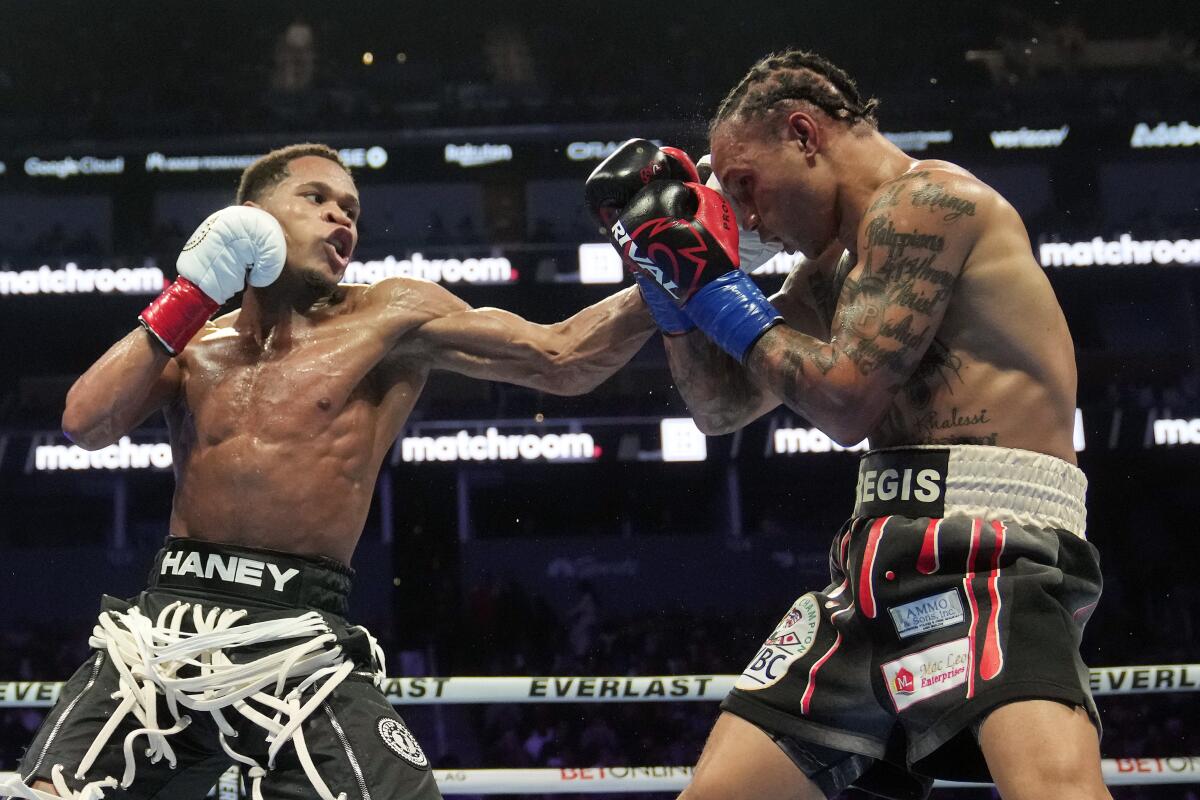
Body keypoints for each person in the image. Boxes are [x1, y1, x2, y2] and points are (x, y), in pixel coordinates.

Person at [3, 142, 656, 800]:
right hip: (163, 633)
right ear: (251, 216)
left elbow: (561, 357)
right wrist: (190, 294)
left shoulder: (389, 315)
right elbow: (84, 423)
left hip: (301, 641)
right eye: (317, 200)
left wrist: (672, 273)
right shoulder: (194, 342)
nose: (342, 220)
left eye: (352, 210)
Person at [587, 51, 1106, 800]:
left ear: (804, 134)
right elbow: (719, 409)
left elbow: (844, 402)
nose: (750, 217)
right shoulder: (830, 271)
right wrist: (677, 299)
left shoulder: (928, 202)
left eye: (746, 187)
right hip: (874, 556)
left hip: (992, 548)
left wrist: (718, 288)